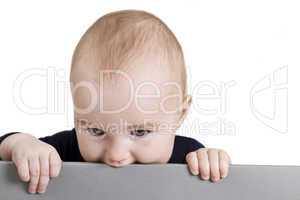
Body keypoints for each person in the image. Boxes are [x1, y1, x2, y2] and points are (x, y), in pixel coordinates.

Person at [0, 9, 231, 194]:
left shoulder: (188, 158)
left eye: (140, 132)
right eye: (96, 130)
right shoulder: (63, 152)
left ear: (179, 115)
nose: (116, 155)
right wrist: (22, 145)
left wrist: (212, 162)